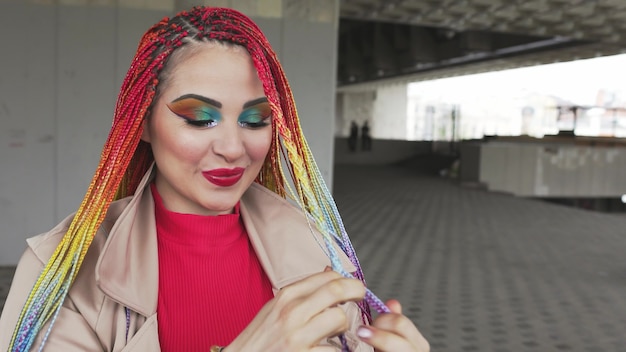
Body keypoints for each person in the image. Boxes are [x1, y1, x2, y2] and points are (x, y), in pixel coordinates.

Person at [0, 7, 429, 352]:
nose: (232, 146)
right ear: (143, 124)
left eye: (255, 119)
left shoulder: (318, 246)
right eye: (200, 118)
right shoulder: (60, 271)